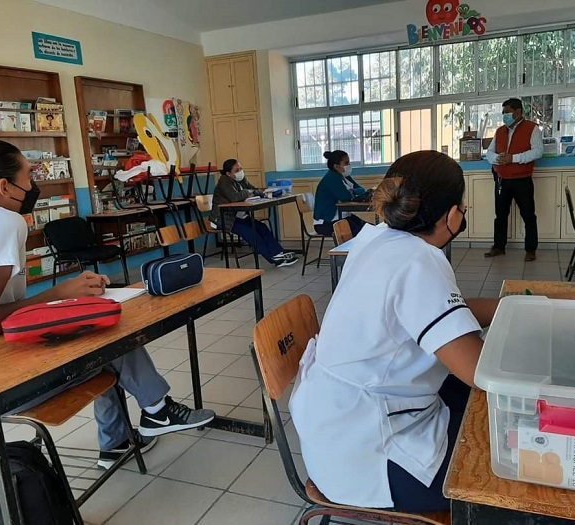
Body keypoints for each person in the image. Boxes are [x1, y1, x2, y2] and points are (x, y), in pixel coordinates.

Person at [0, 139, 215, 470]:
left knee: (96, 340)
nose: (32, 185)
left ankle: (119, 442)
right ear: (3, 187)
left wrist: (64, 297)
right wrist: (60, 293)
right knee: (107, 340)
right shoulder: (2, 221)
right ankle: (156, 410)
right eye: (28, 177)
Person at [289, 151, 500, 513]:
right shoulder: (420, 260)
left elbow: (438, 312)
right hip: (369, 460)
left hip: (334, 431)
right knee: (502, 452)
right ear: (453, 215)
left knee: (474, 405)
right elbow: (480, 371)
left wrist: (505, 308)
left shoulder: (375, 239)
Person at [210, 158, 297, 267]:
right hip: (224, 219)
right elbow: (235, 197)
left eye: (240, 168)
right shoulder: (224, 181)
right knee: (251, 233)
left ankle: (279, 253)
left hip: (238, 216)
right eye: (237, 170)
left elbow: (254, 189)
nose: (240, 171)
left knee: (261, 227)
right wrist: (249, 192)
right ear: (228, 173)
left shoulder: (240, 179)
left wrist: (260, 193)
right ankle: (275, 259)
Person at [485, 98, 543, 262]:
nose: (504, 115)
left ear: (517, 112)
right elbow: (489, 153)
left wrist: (513, 158)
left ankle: (530, 249)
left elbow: (538, 152)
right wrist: (498, 159)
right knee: (500, 215)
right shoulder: (500, 131)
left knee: (528, 215)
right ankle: (499, 247)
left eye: (507, 112)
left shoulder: (532, 128)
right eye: (503, 112)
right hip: (502, 180)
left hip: (522, 180)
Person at [313, 150, 369, 238]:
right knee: (363, 233)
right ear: (336, 166)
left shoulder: (345, 176)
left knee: (368, 228)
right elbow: (346, 197)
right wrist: (353, 192)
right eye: (346, 163)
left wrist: (352, 191)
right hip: (326, 223)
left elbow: (362, 190)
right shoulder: (331, 178)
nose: (349, 165)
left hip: (343, 217)